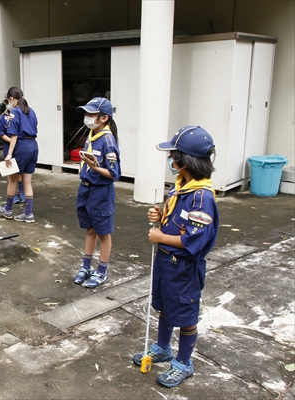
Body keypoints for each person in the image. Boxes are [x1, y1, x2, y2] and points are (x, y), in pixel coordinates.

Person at [132, 126, 219, 388]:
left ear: (186, 160)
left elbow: (195, 239)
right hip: (166, 263)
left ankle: (183, 362)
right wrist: (160, 218)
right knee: (165, 306)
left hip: (183, 267)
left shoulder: (201, 197)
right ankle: (163, 348)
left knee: (185, 315)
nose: (171, 160)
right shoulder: (182, 185)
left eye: (174, 155)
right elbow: (179, 221)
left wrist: (161, 238)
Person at [72, 97, 121, 289]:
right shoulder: (92, 135)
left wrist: (95, 167)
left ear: (104, 118)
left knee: (103, 233)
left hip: (100, 192)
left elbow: (114, 173)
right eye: (87, 114)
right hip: (86, 189)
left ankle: (102, 271)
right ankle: (86, 266)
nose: (87, 117)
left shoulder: (107, 141)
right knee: (90, 229)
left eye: (91, 114)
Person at [0, 87, 38, 223]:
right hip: (33, 146)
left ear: (12, 99)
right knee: (27, 181)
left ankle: (7, 209)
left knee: (12, 178)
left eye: (9, 99)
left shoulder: (15, 113)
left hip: (22, 147)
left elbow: (14, 135)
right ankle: (28, 213)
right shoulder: (31, 111)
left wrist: (9, 154)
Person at [0, 97, 26, 204]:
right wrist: (12, 141)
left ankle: (22, 192)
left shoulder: (20, 114)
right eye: (7, 101)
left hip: (20, 147)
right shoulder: (2, 117)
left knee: (21, 171)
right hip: (8, 146)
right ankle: (12, 195)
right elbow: (0, 134)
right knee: (11, 170)